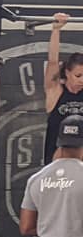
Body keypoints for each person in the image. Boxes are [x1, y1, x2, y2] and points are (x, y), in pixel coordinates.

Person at [43, 13, 83, 164]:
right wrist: (56, 29)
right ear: (67, 72)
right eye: (78, 75)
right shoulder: (56, 92)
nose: (82, 80)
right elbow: (53, 61)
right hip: (56, 163)